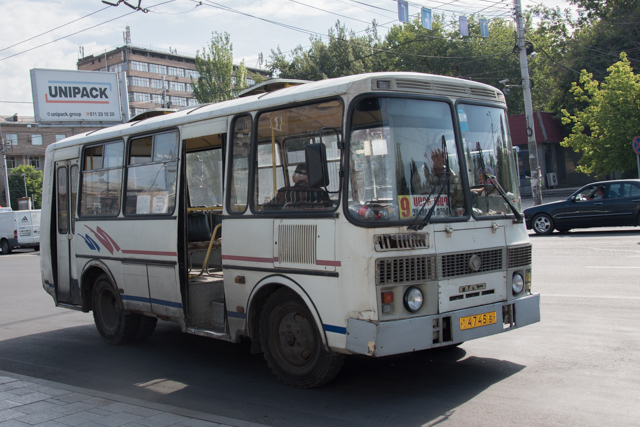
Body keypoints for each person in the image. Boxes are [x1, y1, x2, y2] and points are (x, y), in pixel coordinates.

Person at [264, 163, 330, 209]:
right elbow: (329, 208)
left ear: (293, 178)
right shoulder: (321, 193)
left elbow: (268, 208)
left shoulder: (283, 193)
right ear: (311, 179)